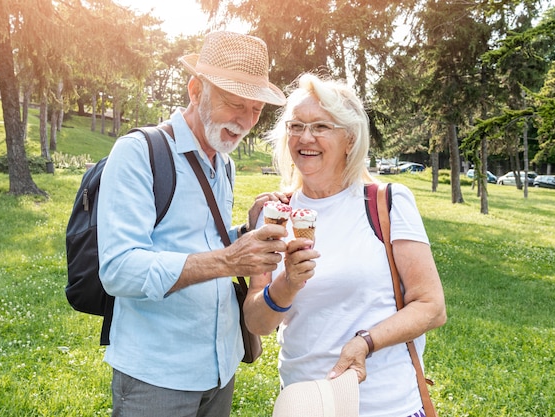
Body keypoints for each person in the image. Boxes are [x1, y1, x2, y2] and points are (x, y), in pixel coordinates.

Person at [96, 31, 288, 417]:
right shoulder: (139, 151)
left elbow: (197, 238)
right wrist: (229, 260)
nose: (245, 121)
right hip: (157, 376)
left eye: (255, 109)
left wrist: (246, 232)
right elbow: (118, 269)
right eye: (235, 104)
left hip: (221, 367)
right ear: (195, 89)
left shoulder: (224, 161)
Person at [243, 73, 447, 417]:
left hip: (384, 405)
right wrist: (288, 283)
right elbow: (257, 323)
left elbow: (431, 306)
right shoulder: (274, 214)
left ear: (350, 139)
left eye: (321, 126)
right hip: (305, 404)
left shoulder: (387, 202)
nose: (306, 137)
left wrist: (364, 343)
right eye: (296, 126)